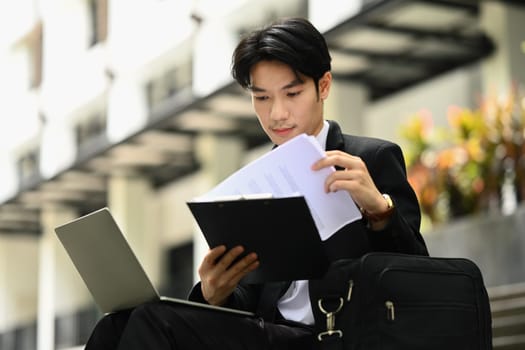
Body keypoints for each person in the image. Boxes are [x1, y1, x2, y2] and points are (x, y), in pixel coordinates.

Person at [85, 17, 429, 350]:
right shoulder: (255, 182)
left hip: (335, 336)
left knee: (153, 320)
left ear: (323, 86)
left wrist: (381, 211)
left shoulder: (371, 159)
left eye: (291, 94)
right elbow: (252, 296)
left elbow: (418, 278)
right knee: (115, 325)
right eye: (262, 98)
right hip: (269, 334)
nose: (277, 113)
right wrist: (213, 293)